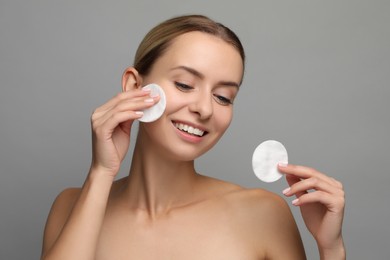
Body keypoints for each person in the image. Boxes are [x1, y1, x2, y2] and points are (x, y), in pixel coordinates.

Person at [41, 14, 345, 259]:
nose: (204, 109)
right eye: (185, 85)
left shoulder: (264, 214)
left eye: (223, 97)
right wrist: (101, 172)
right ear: (134, 86)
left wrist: (331, 249)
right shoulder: (71, 206)